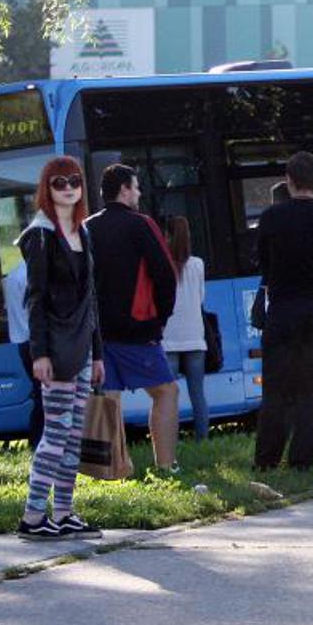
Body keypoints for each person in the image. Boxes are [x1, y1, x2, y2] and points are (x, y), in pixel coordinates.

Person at [16, 156, 105, 541]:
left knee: (73, 435)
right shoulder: (40, 235)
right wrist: (40, 354)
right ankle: (33, 517)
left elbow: (91, 297)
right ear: (46, 189)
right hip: (55, 346)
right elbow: (34, 299)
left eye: (74, 180)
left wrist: (98, 353)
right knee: (56, 432)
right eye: (59, 182)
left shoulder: (83, 232)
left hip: (82, 345)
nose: (68, 187)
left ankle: (64, 512)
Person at [253, 151, 313, 471]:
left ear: (288, 182)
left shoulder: (270, 219)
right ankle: (302, 461)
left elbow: (264, 264)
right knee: (311, 388)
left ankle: (267, 459)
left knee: (276, 389)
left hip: (282, 309)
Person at [85, 163, 180, 472]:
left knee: (109, 398)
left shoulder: (86, 228)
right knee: (166, 391)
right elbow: (165, 274)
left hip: (98, 333)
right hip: (137, 328)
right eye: (136, 187)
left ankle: (117, 470)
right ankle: (166, 466)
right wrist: (159, 320)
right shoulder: (141, 225)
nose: (138, 193)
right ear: (124, 190)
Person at [164, 216, 210, 441]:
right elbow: (201, 298)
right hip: (195, 338)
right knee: (197, 394)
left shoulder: (162, 264)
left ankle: (171, 441)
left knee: (169, 396)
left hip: (169, 339)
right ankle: (203, 440)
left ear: (167, 236)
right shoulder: (198, 264)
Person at [3, 259, 44, 447]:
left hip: (22, 343)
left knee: (40, 394)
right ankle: (38, 441)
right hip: (38, 342)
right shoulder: (33, 276)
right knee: (45, 396)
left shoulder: (12, 277)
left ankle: (37, 441)